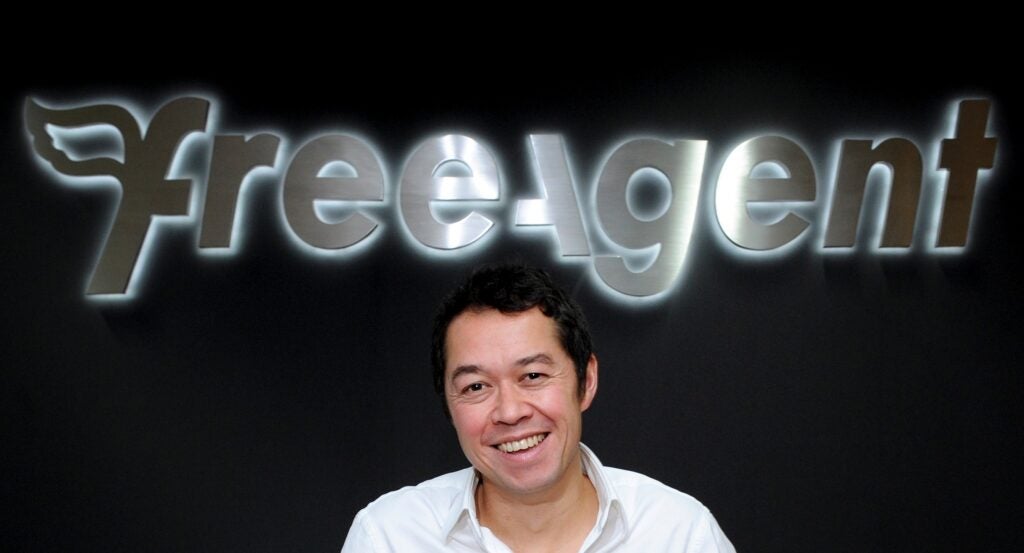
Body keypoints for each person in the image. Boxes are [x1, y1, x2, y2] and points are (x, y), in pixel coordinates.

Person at [341, 264, 736, 552]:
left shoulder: (678, 533)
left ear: (586, 381)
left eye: (532, 376)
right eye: (476, 386)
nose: (510, 411)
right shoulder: (389, 537)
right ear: (447, 403)